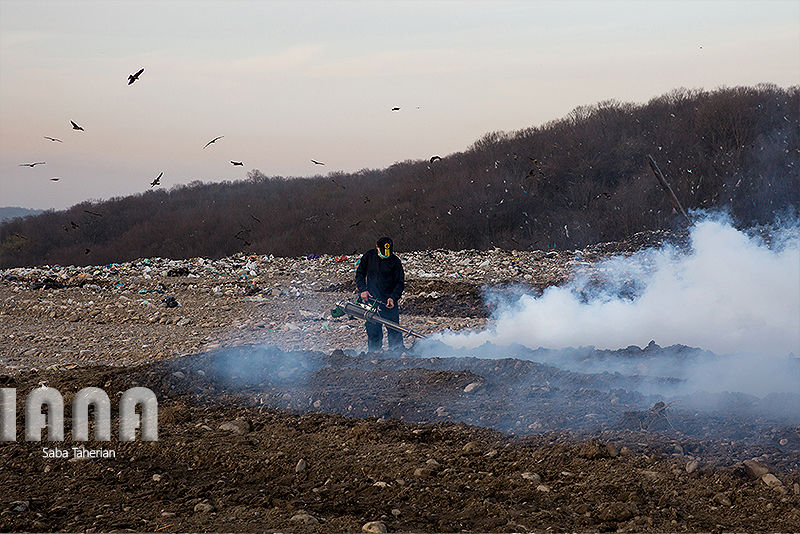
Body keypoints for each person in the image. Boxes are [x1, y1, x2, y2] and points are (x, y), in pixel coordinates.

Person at [355, 236, 405, 352]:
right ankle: (374, 355)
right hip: (372, 300)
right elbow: (360, 274)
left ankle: (397, 355)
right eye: (383, 252)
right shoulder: (369, 256)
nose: (385, 255)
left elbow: (399, 283)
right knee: (373, 331)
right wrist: (363, 290)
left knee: (394, 329)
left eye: (388, 253)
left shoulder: (395, 261)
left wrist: (393, 297)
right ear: (377, 247)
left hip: (388, 302)